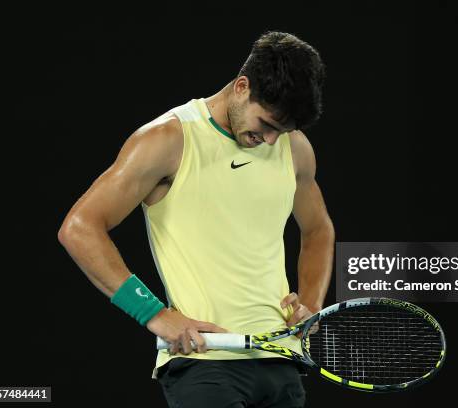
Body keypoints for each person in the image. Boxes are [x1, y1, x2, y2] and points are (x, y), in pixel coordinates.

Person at [58, 30, 334, 407]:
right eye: (267, 124)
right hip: (206, 366)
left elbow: (318, 230)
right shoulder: (166, 140)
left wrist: (311, 308)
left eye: (282, 131)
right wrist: (154, 314)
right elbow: (79, 228)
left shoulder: (294, 149)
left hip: (281, 363)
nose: (271, 140)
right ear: (241, 87)